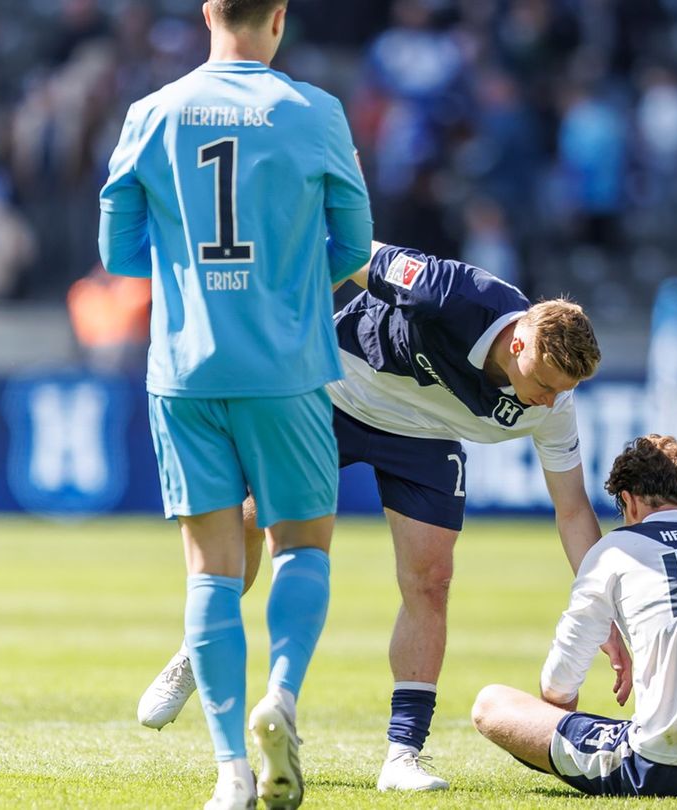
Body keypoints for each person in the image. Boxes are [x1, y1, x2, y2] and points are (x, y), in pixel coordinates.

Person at [137, 240, 632, 793]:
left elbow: (573, 511)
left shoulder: (554, 405)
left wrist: (603, 612)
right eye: (543, 384)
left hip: (424, 437)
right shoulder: (450, 291)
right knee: (251, 519)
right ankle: (200, 648)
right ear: (518, 341)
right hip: (335, 390)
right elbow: (344, 249)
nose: (549, 401)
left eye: (563, 391)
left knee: (431, 581)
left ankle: (402, 756)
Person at [96, 0, 373, 807]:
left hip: (187, 371)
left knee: (211, 573)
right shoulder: (315, 112)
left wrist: (195, 275)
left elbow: (118, 252)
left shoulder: (152, 113)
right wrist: (286, 286)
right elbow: (355, 246)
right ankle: (280, 697)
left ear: (207, 13)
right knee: (301, 548)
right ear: (278, 17)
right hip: (287, 367)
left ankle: (229, 774)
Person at [470, 435, 677, 798]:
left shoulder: (616, 548)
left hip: (660, 767)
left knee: (491, 703)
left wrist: (560, 718)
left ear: (629, 502)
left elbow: (559, 685)